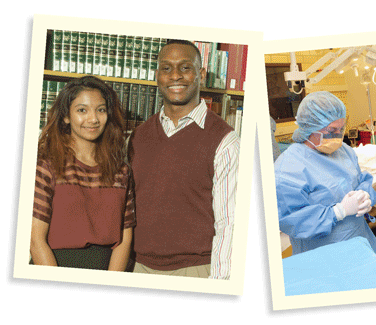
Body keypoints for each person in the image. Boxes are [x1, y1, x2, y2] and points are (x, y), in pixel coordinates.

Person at [129, 40, 239, 279]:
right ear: (157, 75)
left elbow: (229, 223)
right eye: (166, 68)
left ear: (200, 74)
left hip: (195, 271)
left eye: (185, 67)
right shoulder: (138, 136)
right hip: (138, 268)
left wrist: (219, 284)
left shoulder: (225, 140)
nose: (175, 76)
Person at [31, 75, 134, 270]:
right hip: (55, 268)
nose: (93, 119)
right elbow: (35, 240)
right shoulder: (47, 165)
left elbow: (124, 241)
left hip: (107, 270)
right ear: (66, 116)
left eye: (101, 110)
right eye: (82, 110)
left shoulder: (121, 171)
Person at [274, 91, 376, 257]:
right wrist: (339, 212)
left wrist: (365, 195)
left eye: (341, 129)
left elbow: (360, 180)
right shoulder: (288, 169)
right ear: (311, 127)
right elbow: (293, 221)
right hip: (323, 254)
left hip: (360, 242)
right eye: (332, 130)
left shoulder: (344, 150)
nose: (337, 136)